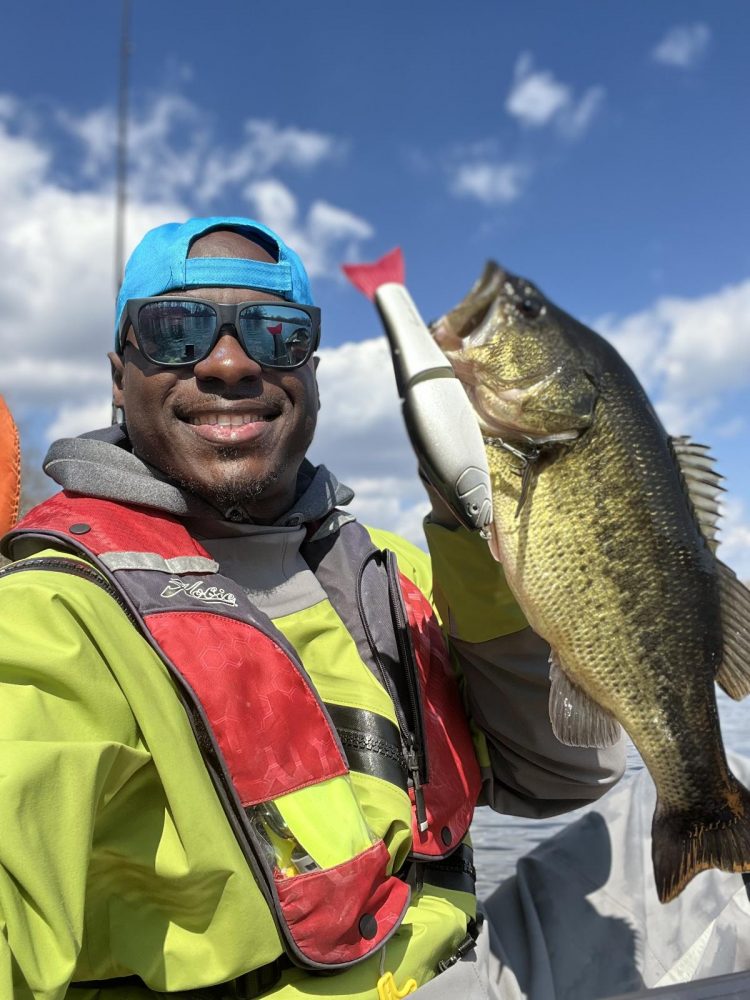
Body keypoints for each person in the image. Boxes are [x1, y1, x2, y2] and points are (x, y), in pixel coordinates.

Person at [0, 217, 627, 999]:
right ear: (119, 376)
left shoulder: (397, 572)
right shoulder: (50, 610)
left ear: (313, 375)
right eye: (175, 329)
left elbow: (563, 776)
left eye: (275, 333)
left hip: (461, 968)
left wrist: (478, 532)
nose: (230, 363)